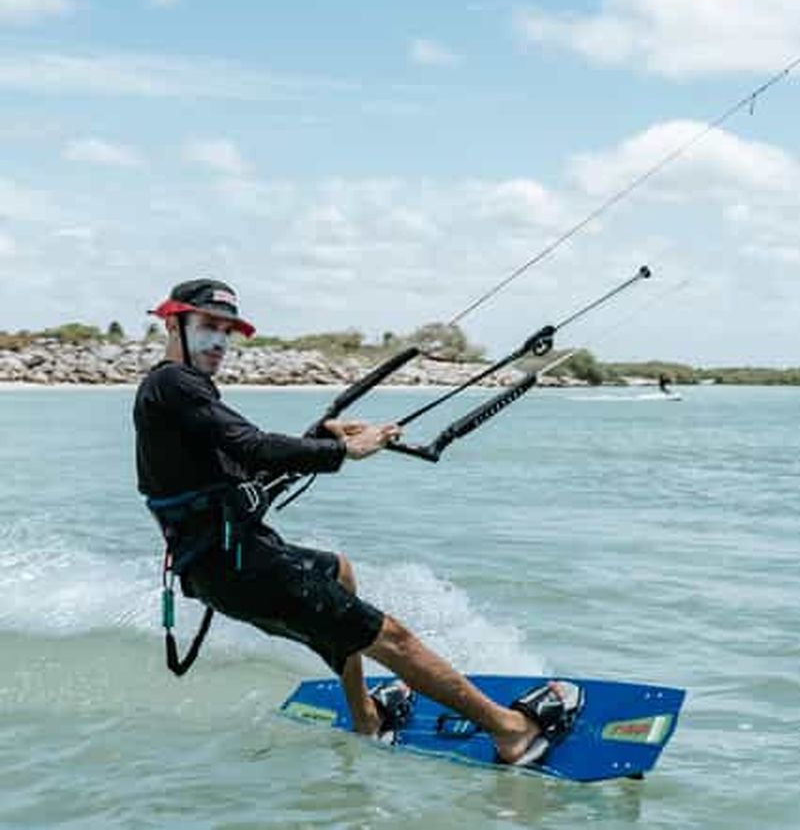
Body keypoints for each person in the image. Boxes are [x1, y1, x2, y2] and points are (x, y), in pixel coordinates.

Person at [134, 278, 581, 765]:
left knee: (338, 572)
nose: (219, 342)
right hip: (240, 567)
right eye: (207, 327)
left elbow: (245, 465)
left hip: (227, 564)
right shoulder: (172, 383)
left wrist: (321, 438)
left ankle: (366, 717)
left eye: (227, 331)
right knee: (393, 639)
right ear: (173, 323)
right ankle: (511, 732)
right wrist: (345, 449)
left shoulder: (183, 393)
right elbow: (255, 445)